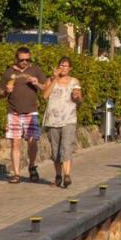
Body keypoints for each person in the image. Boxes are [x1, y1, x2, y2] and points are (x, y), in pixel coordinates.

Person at [0, 48, 48, 183]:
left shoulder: (35, 70)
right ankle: (16, 174)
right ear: (16, 59)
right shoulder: (9, 72)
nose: (25, 62)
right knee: (15, 142)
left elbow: (46, 88)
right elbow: (1, 93)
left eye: (27, 59)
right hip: (13, 111)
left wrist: (37, 83)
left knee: (32, 141)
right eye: (22, 60)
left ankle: (32, 166)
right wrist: (6, 91)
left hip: (31, 111)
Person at [41, 56, 82, 188]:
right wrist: (54, 79)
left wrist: (77, 97)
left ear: (70, 68)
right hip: (53, 119)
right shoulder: (50, 80)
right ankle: (58, 176)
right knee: (55, 150)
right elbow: (45, 96)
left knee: (66, 146)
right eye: (61, 65)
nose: (63, 68)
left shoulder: (74, 81)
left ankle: (67, 175)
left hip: (69, 119)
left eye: (66, 66)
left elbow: (79, 98)